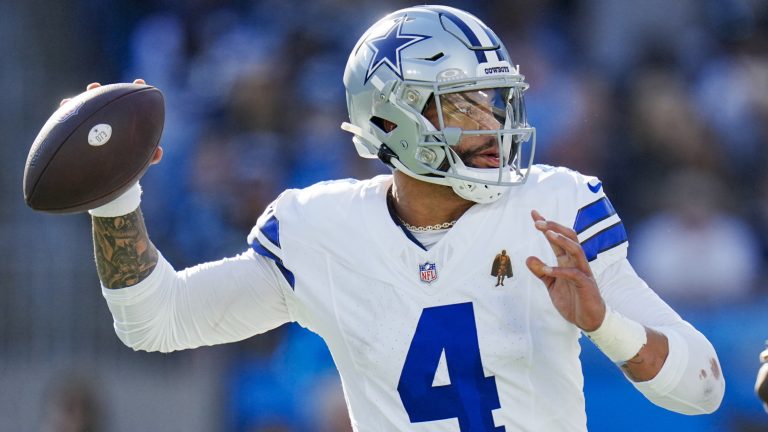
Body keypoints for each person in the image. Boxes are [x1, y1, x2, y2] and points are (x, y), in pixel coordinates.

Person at [74, 5, 724, 431]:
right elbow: (156, 322)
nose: (492, 123)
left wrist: (604, 325)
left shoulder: (556, 209)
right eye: (462, 105)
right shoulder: (320, 231)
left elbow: (704, 386)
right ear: (391, 123)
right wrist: (114, 199)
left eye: (496, 101)